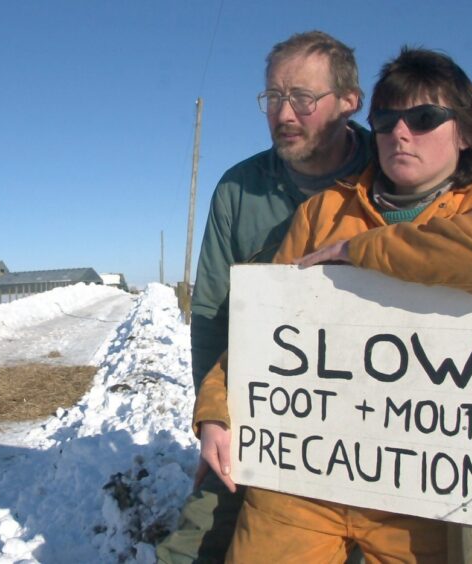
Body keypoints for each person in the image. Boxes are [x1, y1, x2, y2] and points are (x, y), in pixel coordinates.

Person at [193, 47, 472, 563]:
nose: (400, 133)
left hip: (425, 493)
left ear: (467, 131)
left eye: (424, 118)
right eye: (386, 119)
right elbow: (267, 328)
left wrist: (359, 252)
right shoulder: (324, 211)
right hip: (306, 477)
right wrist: (215, 410)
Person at [156, 30, 372, 563]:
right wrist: (214, 417)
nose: (284, 113)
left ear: (350, 102)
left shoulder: (388, 171)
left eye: (302, 97)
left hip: (367, 419)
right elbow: (212, 312)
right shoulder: (238, 188)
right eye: (273, 97)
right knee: (195, 544)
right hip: (262, 406)